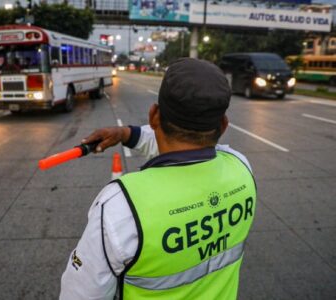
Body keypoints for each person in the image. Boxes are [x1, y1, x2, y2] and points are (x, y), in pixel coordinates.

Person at [60, 58, 257, 300]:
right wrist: (125, 134)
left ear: (154, 116)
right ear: (223, 125)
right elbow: (190, 146)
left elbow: (80, 295)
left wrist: (128, 133)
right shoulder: (241, 168)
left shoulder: (122, 206)